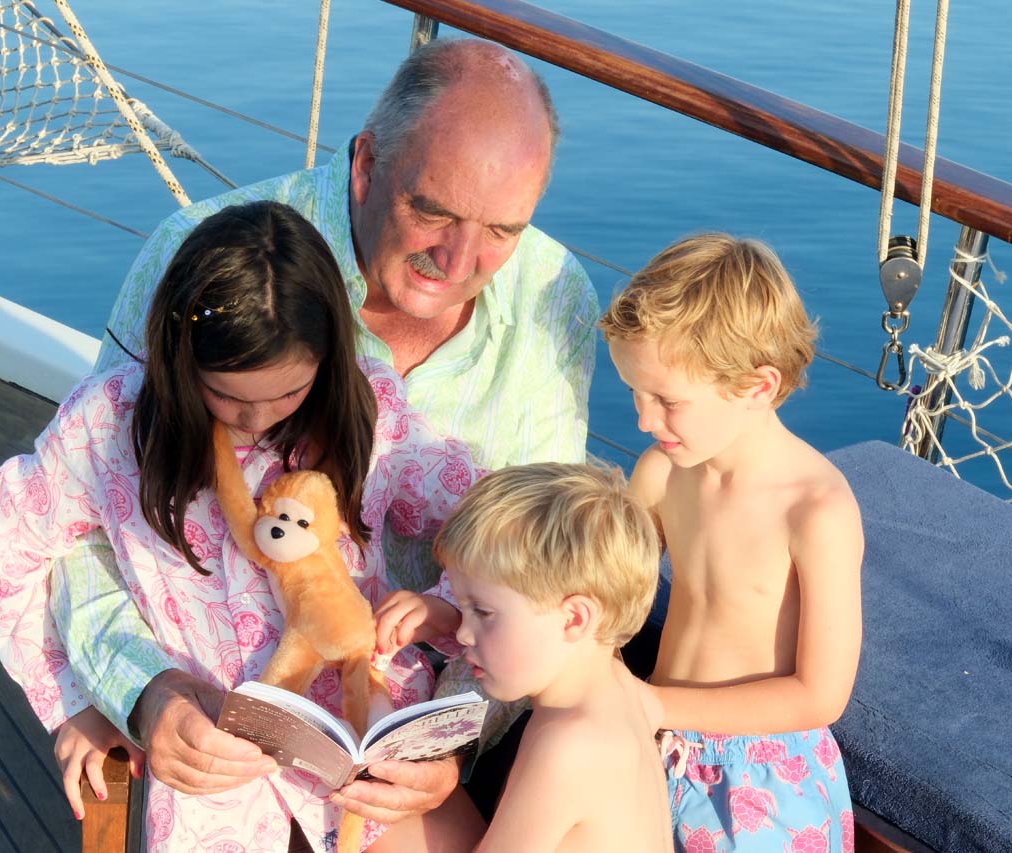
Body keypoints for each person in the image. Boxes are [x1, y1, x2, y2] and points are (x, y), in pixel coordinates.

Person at [50, 35, 598, 829]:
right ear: (367, 164)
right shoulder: (200, 258)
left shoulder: (557, 296)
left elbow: (546, 569)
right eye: (433, 211)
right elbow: (74, 520)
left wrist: (450, 743)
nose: (460, 259)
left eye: (503, 230)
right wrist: (139, 688)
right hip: (218, 706)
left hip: (409, 727)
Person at [0, 201, 486, 851]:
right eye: (231, 396)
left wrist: (441, 610)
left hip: (370, 748)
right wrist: (78, 699)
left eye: (289, 392)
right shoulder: (110, 425)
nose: (257, 420)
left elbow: (491, 524)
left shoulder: (366, 407)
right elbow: (8, 548)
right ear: (181, 361)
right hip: (216, 783)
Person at [599, 234, 863, 852]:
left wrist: (654, 705)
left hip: (763, 775)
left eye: (666, 400)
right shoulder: (662, 473)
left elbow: (820, 694)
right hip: (652, 734)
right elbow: (606, 595)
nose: (643, 420)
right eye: (635, 393)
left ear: (757, 387)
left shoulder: (815, 510)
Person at [373, 462, 671, 852]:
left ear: (574, 618)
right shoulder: (623, 692)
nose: (463, 632)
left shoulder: (568, 744)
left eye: (483, 612)